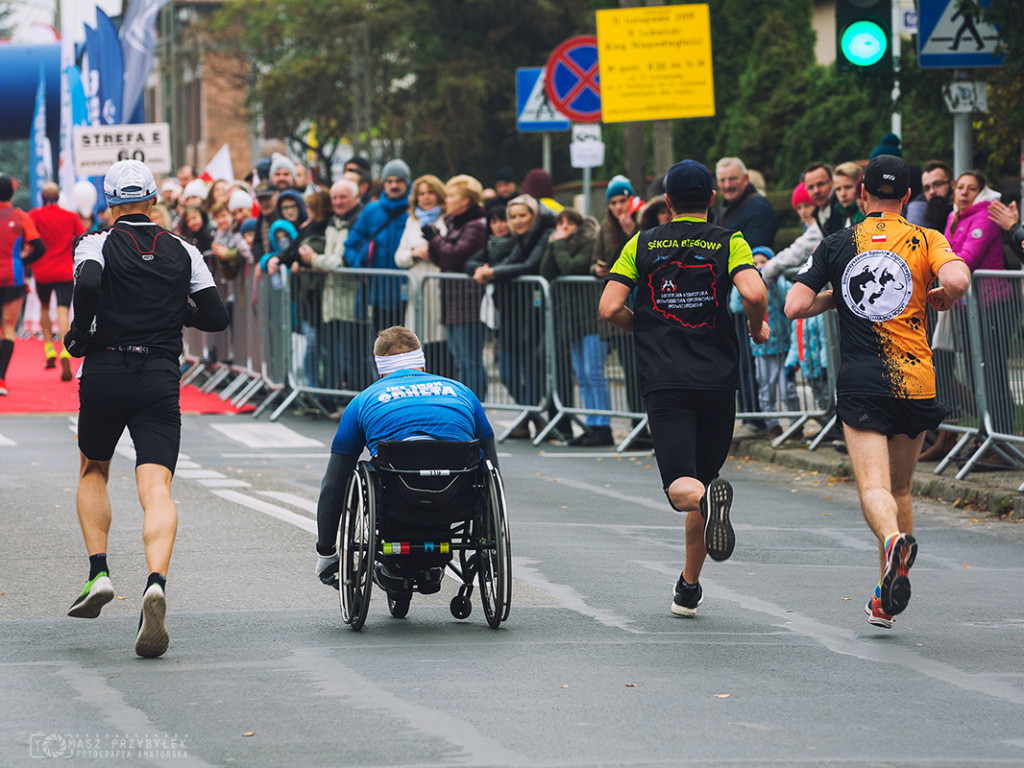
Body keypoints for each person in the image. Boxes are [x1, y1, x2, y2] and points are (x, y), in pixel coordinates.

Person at [785, 155, 969, 630]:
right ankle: (884, 600)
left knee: (874, 488)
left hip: (864, 382)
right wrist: (944, 292)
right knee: (901, 489)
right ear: (907, 196)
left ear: (862, 193)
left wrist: (838, 296)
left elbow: (794, 306)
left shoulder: (837, 242)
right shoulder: (927, 238)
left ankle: (891, 542)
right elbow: (957, 280)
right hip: (915, 381)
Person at [63, 159, 229, 658]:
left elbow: (88, 285)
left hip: (106, 369)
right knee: (156, 486)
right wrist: (179, 310)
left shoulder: (95, 242)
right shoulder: (184, 249)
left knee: (93, 468)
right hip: (158, 373)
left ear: (110, 204)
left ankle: (98, 572)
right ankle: (155, 581)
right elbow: (216, 316)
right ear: (155, 201)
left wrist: (79, 333)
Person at [598, 159, 770, 617]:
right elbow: (754, 294)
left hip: (666, 379)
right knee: (703, 483)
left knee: (682, 488)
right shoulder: (729, 240)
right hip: (717, 379)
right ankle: (688, 587)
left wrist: (645, 327)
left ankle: (704, 519)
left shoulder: (642, 242)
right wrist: (757, 327)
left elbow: (609, 307)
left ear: (668, 201)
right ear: (711, 199)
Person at [313, 326, 499, 593]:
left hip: (396, 500)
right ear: (422, 365)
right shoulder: (462, 392)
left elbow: (334, 483)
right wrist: (491, 538)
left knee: (365, 469)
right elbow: (491, 468)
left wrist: (327, 553)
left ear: (381, 371)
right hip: (457, 498)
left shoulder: (363, 400)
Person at [466, 194, 554, 422]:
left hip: (533, 314)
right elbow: (504, 263)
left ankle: (530, 417)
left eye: (522, 215)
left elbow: (530, 265)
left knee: (531, 371)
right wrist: (487, 271)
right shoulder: (517, 240)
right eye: (513, 216)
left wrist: (492, 272)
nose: (517, 221)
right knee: (507, 373)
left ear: (534, 215)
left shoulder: (544, 234)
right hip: (509, 315)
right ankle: (532, 417)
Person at [540, 207, 612, 446]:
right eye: (560, 223)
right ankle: (592, 424)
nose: (564, 227)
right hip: (572, 320)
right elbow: (546, 271)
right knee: (581, 374)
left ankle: (603, 425)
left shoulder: (589, 241)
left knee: (594, 372)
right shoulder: (559, 244)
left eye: (569, 223)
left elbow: (571, 267)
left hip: (591, 319)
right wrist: (553, 245)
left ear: (578, 224)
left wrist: (558, 244)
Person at [424, 174, 488, 400]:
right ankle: (466, 406)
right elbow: (442, 257)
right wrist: (434, 240)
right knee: (461, 360)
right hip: (452, 301)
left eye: (452, 196)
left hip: (468, 302)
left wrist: (436, 240)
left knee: (470, 361)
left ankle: (475, 406)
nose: (446, 200)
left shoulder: (476, 225)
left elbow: (457, 254)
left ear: (465, 201)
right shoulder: (455, 224)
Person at [730, 246, 792, 440]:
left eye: (763, 263)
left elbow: (785, 301)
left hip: (783, 347)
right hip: (761, 350)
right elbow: (735, 306)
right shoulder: (749, 288)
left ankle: (795, 426)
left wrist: (773, 280)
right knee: (765, 391)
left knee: (788, 390)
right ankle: (773, 426)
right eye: (755, 264)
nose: (759, 267)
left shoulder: (780, 283)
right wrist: (742, 284)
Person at [395, 174, 452, 378]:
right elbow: (399, 257)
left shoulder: (447, 218)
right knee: (418, 339)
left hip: (439, 285)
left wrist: (434, 250)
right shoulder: (413, 220)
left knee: (440, 341)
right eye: (421, 193)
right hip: (417, 287)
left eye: (430, 192)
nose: (426, 197)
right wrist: (414, 253)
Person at [345, 159, 412, 332]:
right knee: (382, 343)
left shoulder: (415, 210)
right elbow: (350, 245)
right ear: (384, 184)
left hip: (409, 294)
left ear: (407, 183)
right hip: (377, 295)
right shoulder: (371, 211)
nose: (394, 185)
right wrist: (360, 270)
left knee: (408, 343)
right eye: (389, 181)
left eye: (399, 181)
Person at [29, 181, 85, 380]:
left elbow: (29, 239)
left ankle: (48, 348)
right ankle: (64, 350)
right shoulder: (70, 216)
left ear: (42, 197)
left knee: (44, 307)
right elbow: (82, 236)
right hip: (63, 269)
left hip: (42, 271)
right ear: (58, 197)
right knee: (63, 311)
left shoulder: (34, 215)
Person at [0, 172, 46, 396]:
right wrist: (21, 261)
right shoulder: (20, 216)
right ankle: (1, 380)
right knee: (9, 328)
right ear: (12, 192)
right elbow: (40, 248)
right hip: (14, 277)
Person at [715, 157, 778, 248]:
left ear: (746, 179)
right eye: (722, 180)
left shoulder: (760, 207)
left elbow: (754, 246)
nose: (727, 185)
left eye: (732, 179)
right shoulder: (725, 206)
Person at [905, 160, 953, 230]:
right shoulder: (922, 213)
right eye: (927, 188)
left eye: (938, 184)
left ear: (953, 185)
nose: (932, 192)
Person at [832, 162, 865, 229]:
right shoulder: (844, 213)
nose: (842, 194)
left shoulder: (864, 214)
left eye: (848, 187)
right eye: (838, 189)